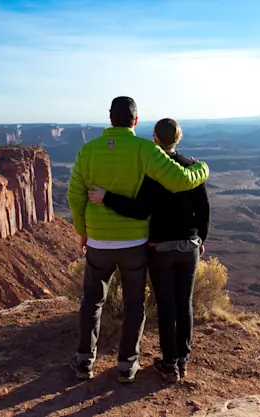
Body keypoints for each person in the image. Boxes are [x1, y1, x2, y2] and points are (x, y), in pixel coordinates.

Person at [67, 97, 210, 384]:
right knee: (135, 304)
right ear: (135, 120)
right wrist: (203, 169)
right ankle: (127, 365)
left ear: (109, 120)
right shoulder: (145, 149)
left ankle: (84, 362)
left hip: (98, 242)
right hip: (134, 243)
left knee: (92, 302)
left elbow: (74, 195)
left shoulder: (87, 150)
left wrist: (82, 232)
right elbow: (180, 180)